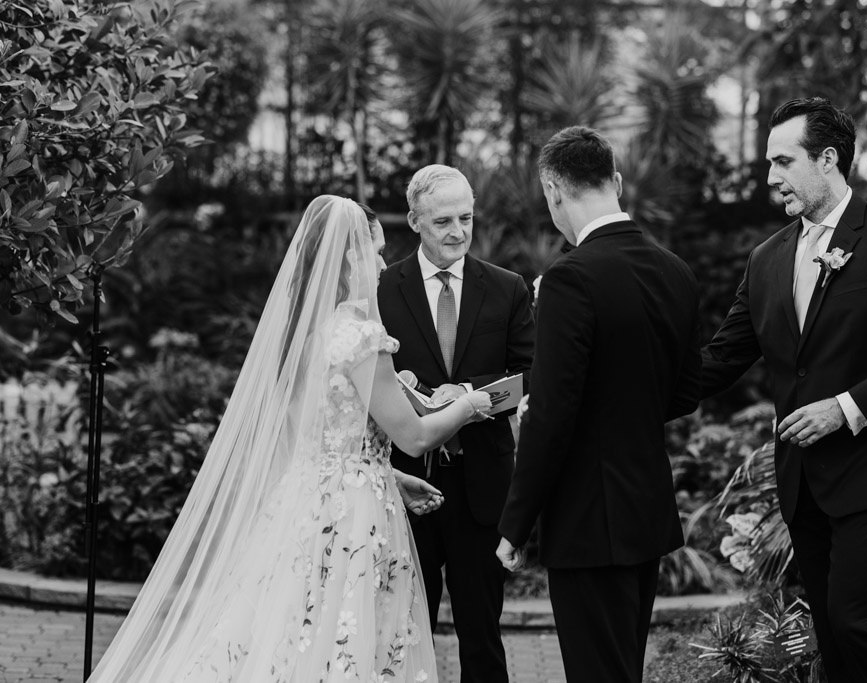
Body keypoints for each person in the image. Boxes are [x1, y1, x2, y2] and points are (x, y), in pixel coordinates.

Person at [88, 196, 494, 682]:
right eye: (377, 252)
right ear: (349, 257)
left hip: (301, 506)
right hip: (353, 516)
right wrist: (469, 405)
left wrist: (390, 474)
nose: (384, 265)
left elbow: (318, 437)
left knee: (293, 634)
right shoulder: (362, 337)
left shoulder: (302, 336)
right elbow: (415, 434)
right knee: (346, 639)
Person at [701, 97, 867, 683]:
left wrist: (846, 409)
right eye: (769, 163)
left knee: (861, 628)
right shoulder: (766, 259)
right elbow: (720, 359)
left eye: (783, 161)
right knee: (836, 644)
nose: (770, 178)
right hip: (803, 483)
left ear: (828, 159)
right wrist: (634, 385)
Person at [496, 126, 702, 683]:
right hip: (645, 512)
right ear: (614, 180)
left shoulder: (571, 277)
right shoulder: (675, 271)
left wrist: (515, 523)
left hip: (589, 520)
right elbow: (685, 388)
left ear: (553, 190)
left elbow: (554, 411)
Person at [377, 164, 534, 683]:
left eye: (466, 218)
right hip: (403, 487)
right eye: (443, 220)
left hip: (481, 487)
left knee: (481, 634)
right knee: (399, 630)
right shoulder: (382, 289)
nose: (458, 232)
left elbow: (529, 377)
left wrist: (468, 393)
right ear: (414, 220)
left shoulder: (507, 288)